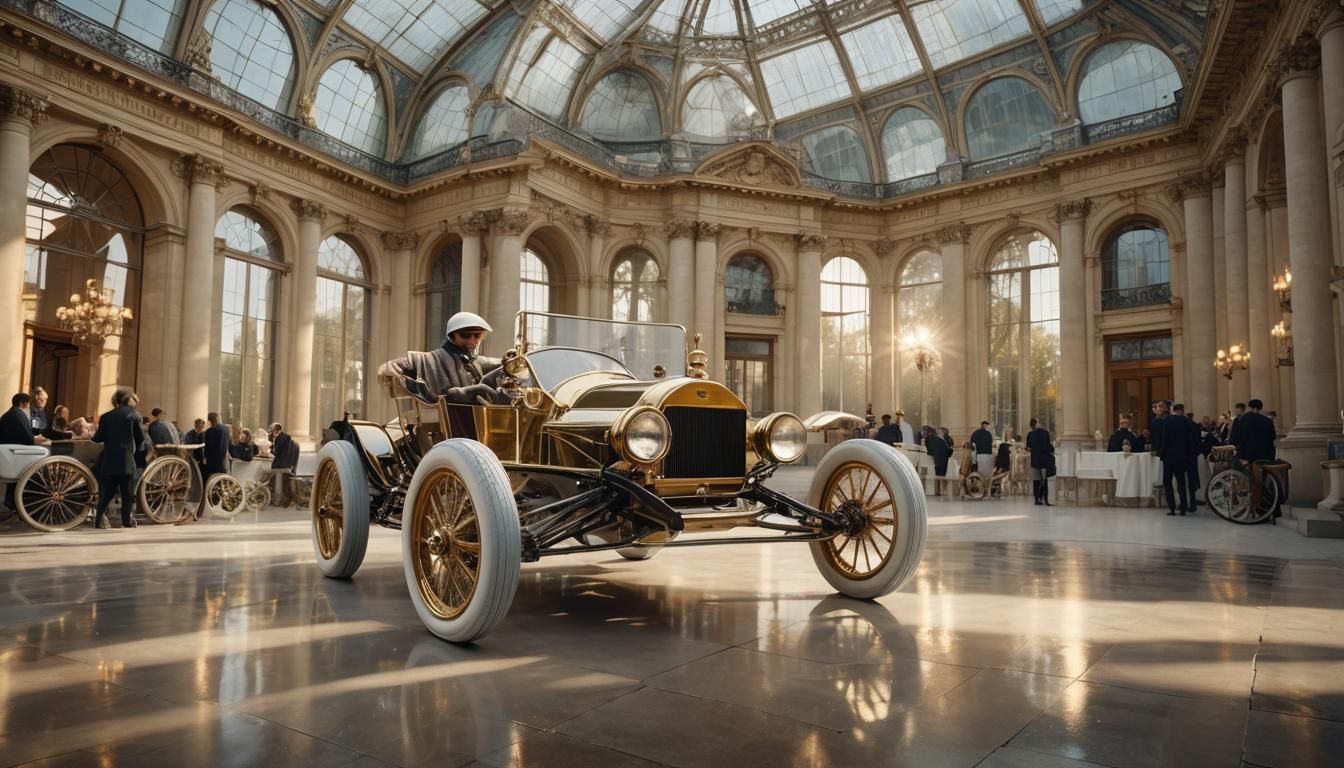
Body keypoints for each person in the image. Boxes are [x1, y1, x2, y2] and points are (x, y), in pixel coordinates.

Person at [379, 311, 508, 405]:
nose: (472, 341)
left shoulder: (477, 361)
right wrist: (387, 367)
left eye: (477, 336)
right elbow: (399, 366)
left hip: (479, 419)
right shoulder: (430, 360)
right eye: (466, 336)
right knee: (481, 389)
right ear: (452, 336)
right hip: (451, 422)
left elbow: (502, 365)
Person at [91, 388, 147, 529]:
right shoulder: (133, 415)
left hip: (109, 459)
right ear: (128, 400)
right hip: (126, 460)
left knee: (108, 492)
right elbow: (140, 438)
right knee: (127, 494)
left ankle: (98, 520)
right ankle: (125, 522)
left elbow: (98, 438)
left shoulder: (106, 416)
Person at [1157, 402, 1199, 516]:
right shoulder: (1187, 421)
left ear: (1173, 410)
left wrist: (1162, 454)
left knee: (1167, 481)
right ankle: (1183, 507)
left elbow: (1164, 438)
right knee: (1181, 482)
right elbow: (1191, 439)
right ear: (1182, 410)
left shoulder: (1168, 420)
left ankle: (1172, 507)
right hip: (1182, 457)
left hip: (1169, 456)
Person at [1230, 398, 1276, 463]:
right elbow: (1273, 437)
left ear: (1253, 408)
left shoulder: (1245, 418)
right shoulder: (1268, 421)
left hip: (1247, 454)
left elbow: (1239, 436)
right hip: (1266, 454)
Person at [1026, 418, 1054, 505]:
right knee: (1045, 480)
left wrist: (1030, 449)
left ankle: (1037, 499)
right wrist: (1053, 450)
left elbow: (1027, 447)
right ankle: (1045, 499)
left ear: (1031, 426)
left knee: (1036, 480)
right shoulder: (1045, 433)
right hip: (1044, 460)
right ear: (1037, 424)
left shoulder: (1030, 434)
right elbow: (1048, 446)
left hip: (1035, 460)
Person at [203, 412, 230, 481]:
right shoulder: (226, 429)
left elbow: (207, 447)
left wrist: (205, 457)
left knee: (211, 480)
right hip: (223, 459)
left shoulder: (209, 432)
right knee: (222, 479)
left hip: (212, 460)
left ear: (210, 421)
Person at [926, 426, 951, 491]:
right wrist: (936, 462)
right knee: (939, 477)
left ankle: (941, 490)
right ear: (941, 433)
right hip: (940, 462)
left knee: (942, 476)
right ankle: (939, 490)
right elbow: (935, 451)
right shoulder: (937, 440)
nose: (945, 433)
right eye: (944, 432)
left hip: (943, 461)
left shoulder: (942, 439)